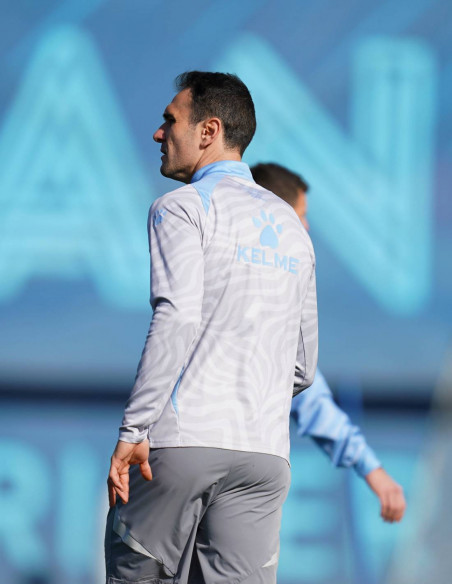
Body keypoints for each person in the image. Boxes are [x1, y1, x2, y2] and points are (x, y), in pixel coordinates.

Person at [105, 73, 318, 584]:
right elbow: (303, 367)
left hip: (182, 444)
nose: (159, 133)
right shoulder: (293, 227)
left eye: (170, 120)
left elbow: (176, 316)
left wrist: (134, 430)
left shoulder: (181, 207)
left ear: (209, 131)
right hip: (265, 458)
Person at [250, 162, 406, 523]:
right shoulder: (258, 292)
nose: (306, 227)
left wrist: (371, 468)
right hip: (200, 466)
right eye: (301, 215)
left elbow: (308, 394)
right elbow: (307, 393)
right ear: (275, 214)